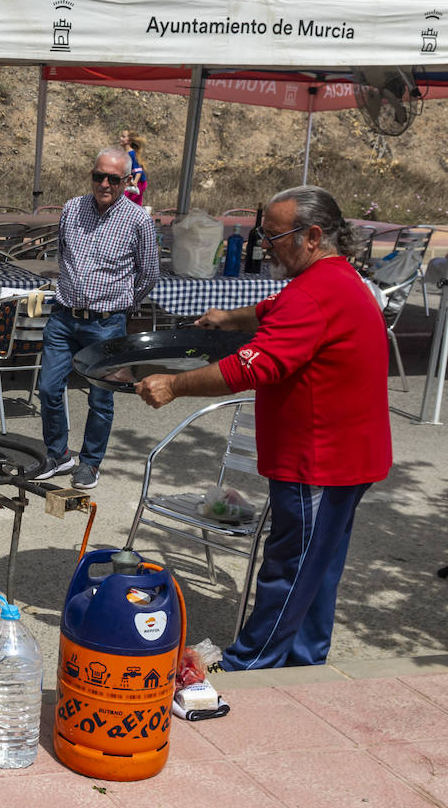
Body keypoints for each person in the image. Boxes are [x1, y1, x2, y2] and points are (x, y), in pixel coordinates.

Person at [136, 185, 391, 671]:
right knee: (318, 569)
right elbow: (275, 308)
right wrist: (230, 317)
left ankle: (251, 666)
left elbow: (252, 367)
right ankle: (304, 663)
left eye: (275, 236)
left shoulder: (315, 293)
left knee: (290, 569)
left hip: (320, 460)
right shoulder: (334, 280)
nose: (265, 245)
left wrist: (174, 384)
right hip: (347, 457)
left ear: (313, 235)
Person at [34, 146, 159, 490]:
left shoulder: (138, 221)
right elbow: (63, 253)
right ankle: (58, 454)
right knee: (47, 388)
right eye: (98, 176)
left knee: (101, 397)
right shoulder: (72, 209)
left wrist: (118, 305)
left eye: (113, 179)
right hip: (64, 317)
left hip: (107, 323)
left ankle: (90, 463)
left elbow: (148, 273)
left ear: (127, 181)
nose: (104, 183)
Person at [120, 130, 148, 206]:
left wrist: (135, 182)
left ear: (129, 141)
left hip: (138, 183)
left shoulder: (132, 154)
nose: (120, 138)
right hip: (130, 182)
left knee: (132, 205)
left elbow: (138, 170)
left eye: (123, 137)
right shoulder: (125, 153)